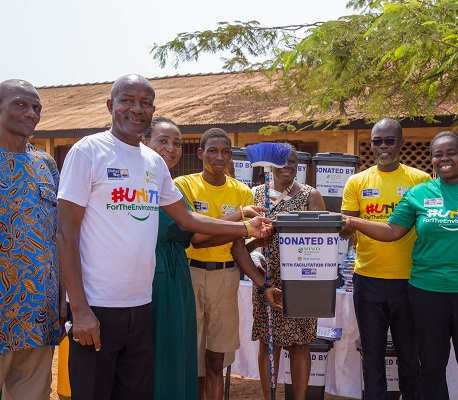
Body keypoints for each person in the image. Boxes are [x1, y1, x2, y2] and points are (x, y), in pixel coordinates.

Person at [57, 74, 273, 400]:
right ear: (110, 105)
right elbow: (66, 232)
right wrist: (80, 309)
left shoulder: (152, 163)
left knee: (135, 393)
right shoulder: (89, 151)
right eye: (128, 100)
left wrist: (243, 228)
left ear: (152, 108)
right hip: (98, 304)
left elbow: (187, 218)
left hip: (142, 305)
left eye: (145, 103)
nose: (136, 108)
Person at [344, 130, 458, 400]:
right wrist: (351, 221)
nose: (444, 159)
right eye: (438, 154)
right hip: (426, 293)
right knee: (431, 366)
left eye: (451, 153)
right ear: (432, 159)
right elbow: (391, 230)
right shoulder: (417, 195)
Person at [174, 128, 281, 400]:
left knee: (215, 361)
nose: (219, 157)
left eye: (225, 151)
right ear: (200, 154)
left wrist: (263, 285)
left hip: (225, 278)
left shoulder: (242, 191)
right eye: (212, 151)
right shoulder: (184, 185)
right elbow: (197, 239)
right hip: (190, 275)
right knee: (191, 360)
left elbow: (238, 248)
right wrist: (241, 219)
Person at [340, 118, 429, 399]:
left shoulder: (420, 180)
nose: (383, 147)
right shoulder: (357, 181)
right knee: (372, 355)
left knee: (410, 357)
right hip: (368, 280)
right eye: (377, 141)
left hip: (410, 281)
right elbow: (346, 230)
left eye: (389, 140)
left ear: (401, 143)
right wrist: (330, 224)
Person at [0, 79, 61, 399]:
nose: (31, 112)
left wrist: (64, 297)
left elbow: (60, 232)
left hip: (38, 311)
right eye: (20, 104)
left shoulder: (45, 163)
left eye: (36, 107)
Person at [251, 144, 326, 400]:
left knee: (301, 342)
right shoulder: (256, 195)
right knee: (269, 342)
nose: (288, 165)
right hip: (266, 278)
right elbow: (243, 238)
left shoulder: (310, 195)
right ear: (270, 165)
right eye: (282, 161)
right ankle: (268, 397)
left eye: (293, 161)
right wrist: (256, 250)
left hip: (302, 278)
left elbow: (323, 239)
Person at [141, 117, 197, 399]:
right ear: (144, 142)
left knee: (177, 346)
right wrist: (241, 223)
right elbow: (191, 227)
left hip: (177, 275)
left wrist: (245, 228)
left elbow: (194, 235)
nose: (171, 148)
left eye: (177, 143)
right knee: (158, 349)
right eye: (162, 141)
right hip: (154, 277)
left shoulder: (172, 188)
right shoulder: (139, 180)